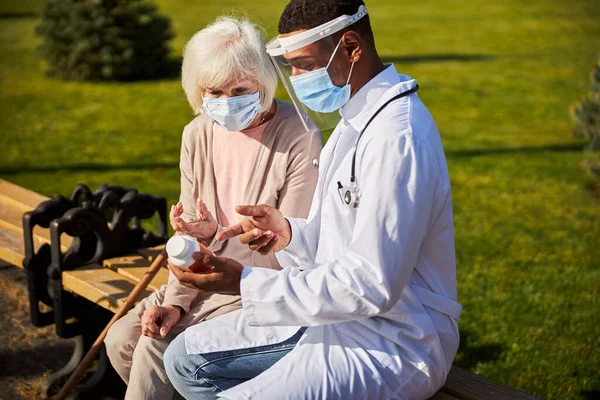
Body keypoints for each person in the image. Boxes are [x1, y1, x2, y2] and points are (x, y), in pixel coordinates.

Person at [164, 0, 462, 399]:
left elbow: (372, 285)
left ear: (352, 47)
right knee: (183, 358)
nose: (297, 78)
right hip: (336, 316)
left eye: (305, 64)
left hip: (394, 340)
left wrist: (244, 282)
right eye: (291, 67)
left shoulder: (396, 138)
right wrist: (289, 234)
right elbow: (338, 243)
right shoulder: (354, 121)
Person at [103, 16, 322, 400]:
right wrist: (176, 299)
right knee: (120, 339)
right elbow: (191, 240)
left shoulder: (299, 137)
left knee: (157, 348)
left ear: (264, 83)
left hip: (255, 285)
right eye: (214, 92)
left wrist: (230, 245)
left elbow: (292, 251)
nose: (226, 102)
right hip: (202, 273)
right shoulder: (197, 134)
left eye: (240, 89)